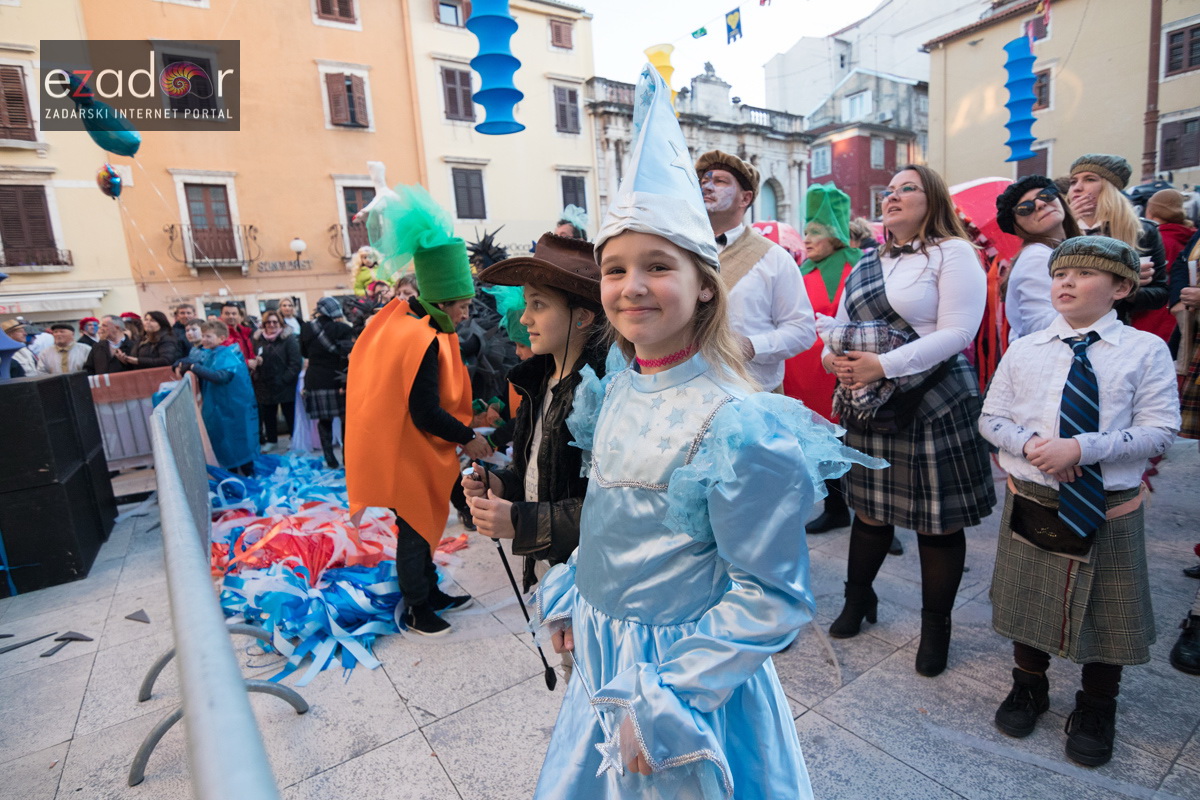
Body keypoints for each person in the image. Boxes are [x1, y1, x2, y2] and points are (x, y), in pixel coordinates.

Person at [529, 65, 881, 799]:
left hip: (683, 684)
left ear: (704, 285)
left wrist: (673, 694)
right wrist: (575, 592)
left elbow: (773, 595)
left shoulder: (738, 424)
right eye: (615, 268)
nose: (631, 286)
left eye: (658, 266)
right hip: (605, 651)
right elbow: (608, 518)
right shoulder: (616, 387)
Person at [979, 236, 1178, 767]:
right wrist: (1033, 447)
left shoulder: (1144, 351)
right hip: (1035, 495)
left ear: (1121, 288)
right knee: (1029, 598)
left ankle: (1096, 704)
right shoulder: (1026, 348)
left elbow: (1161, 429)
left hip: (1107, 502)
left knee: (1108, 610)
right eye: (1060, 274)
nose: (1065, 282)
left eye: (1084, 274)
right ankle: (1029, 685)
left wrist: (1083, 448)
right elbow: (991, 418)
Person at [823, 164, 996, 678]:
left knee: (937, 525)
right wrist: (833, 360)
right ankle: (859, 600)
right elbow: (838, 328)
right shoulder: (865, 263)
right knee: (871, 513)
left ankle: (936, 628)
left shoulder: (953, 252)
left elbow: (960, 332)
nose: (894, 197)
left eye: (908, 189)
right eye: (890, 190)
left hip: (933, 398)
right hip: (872, 402)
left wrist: (884, 365)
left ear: (932, 199)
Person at [345, 184, 490, 637]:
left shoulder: (420, 324)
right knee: (414, 530)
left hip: (415, 447)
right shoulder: (422, 337)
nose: (466, 315)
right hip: (408, 450)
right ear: (445, 301)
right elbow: (425, 409)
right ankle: (416, 607)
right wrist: (470, 437)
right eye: (463, 306)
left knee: (425, 525)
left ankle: (429, 590)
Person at [462, 232, 608, 602]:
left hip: (594, 584)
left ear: (583, 317)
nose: (525, 318)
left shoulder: (605, 392)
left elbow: (614, 508)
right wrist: (501, 485)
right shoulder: (536, 381)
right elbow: (539, 470)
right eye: (527, 303)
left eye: (539, 304)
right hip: (551, 572)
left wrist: (519, 521)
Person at [695, 148, 816, 391]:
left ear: (745, 198)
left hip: (753, 395)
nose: (706, 187)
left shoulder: (775, 258)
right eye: (703, 181)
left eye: (719, 181)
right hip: (689, 393)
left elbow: (802, 330)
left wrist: (752, 346)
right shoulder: (682, 252)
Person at [783, 184, 862, 535]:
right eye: (806, 232)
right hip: (803, 373)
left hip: (844, 370)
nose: (807, 239)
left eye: (814, 232)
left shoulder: (859, 266)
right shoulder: (798, 270)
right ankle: (835, 507)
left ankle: (875, 521)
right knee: (821, 441)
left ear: (835, 233)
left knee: (856, 442)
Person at [1066, 154, 1169, 323]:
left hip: (1115, 330)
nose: (1077, 188)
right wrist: (1067, 227)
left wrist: (1126, 289)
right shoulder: (1059, 230)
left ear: (1110, 188)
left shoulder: (1142, 231)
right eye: (1073, 181)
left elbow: (1160, 295)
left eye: (1090, 179)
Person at [996, 176, 1083, 342]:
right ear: (1017, 226)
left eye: (1046, 195)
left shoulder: (1059, 251)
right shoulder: (1037, 256)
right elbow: (1038, 326)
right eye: (1025, 208)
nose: (1040, 204)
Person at [176, 320, 260, 476]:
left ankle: (249, 476)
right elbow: (197, 362)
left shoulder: (229, 354)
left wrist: (194, 368)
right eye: (203, 336)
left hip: (233, 409)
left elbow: (220, 376)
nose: (204, 340)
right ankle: (234, 476)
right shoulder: (210, 354)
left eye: (209, 336)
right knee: (226, 444)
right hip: (220, 408)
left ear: (222, 338)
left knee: (239, 443)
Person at [300, 297, 354, 468]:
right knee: (346, 419)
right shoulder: (343, 328)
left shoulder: (306, 328)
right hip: (339, 378)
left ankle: (329, 458)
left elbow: (304, 353)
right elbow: (348, 354)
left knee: (324, 420)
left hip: (315, 378)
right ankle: (347, 457)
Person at [249, 309, 302, 452]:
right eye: (268, 322)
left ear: (280, 323)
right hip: (264, 383)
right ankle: (272, 440)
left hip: (285, 383)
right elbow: (252, 355)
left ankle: (293, 438)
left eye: (275, 322)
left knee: (289, 413)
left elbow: (295, 362)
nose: (272, 325)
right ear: (264, 324)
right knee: (268, 414)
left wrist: (285, 379)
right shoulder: (258, 340)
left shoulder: (288, 339)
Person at [116, 310, 180, 370]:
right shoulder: (141, 339)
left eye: (152, 320)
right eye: (146, 320)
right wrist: (125, 361)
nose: (148, 322)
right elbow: (135, 364)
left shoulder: (167, 339)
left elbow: (166, 361)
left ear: (161, 323)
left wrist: (138, 361)